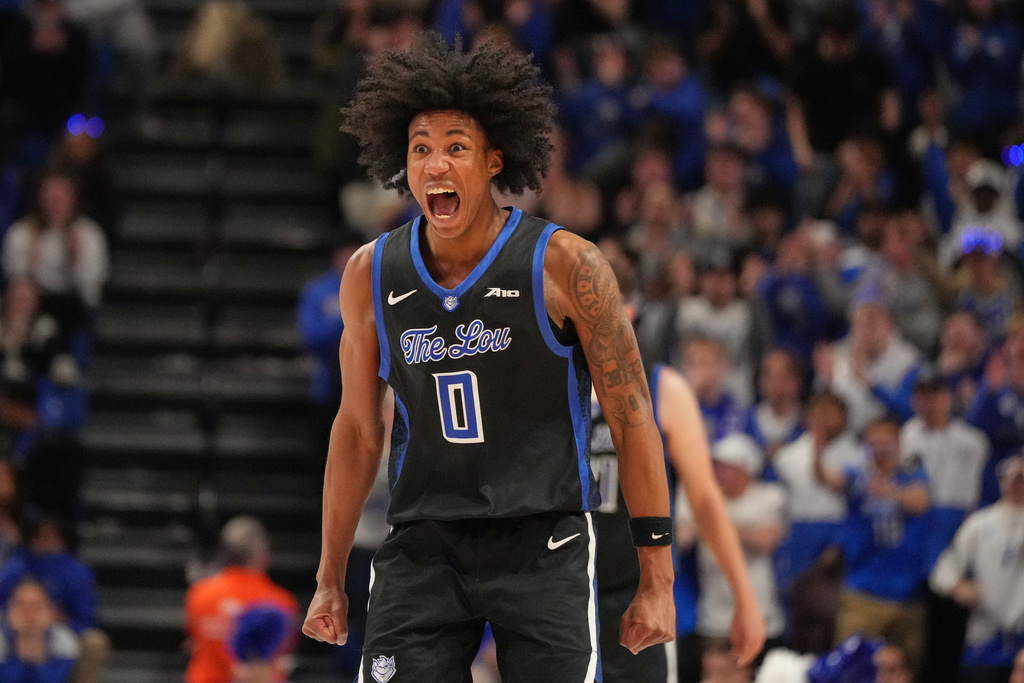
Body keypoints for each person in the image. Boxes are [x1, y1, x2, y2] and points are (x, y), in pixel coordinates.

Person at [302, 34, 763, 681]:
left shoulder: (566, 266)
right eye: (420, 150)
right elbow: (356, 429)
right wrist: (329, 574)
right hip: (426, 540)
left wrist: (657, 576)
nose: (435, 166)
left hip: (542, 540)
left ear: (494, 160)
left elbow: (633, 421)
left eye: (455, 148)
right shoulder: (371, 274)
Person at [591, 244, 764, 683]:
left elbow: (705, 499)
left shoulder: (664, 388)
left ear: (628, 312)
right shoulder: (544, 385)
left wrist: (745, 599)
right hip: (559, 593)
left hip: (634, 593)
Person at [814, 418, 931, 664]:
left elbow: (920, 502)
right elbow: (826, 478)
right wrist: (817, 450)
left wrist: (889, 490)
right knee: (849, 668)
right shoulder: (856, 477)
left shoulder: (913, 475)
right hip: (863, 593)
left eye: (886, 445)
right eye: (873, 445)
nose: (880, 452)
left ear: (899, 446)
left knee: (905, 670)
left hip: (907, 596)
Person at [930, 455, 1024, 683]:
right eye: (1005, 477)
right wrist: (957, 585)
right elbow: (944, 568)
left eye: (1019, 477)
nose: (1012, 483)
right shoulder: (980, 523)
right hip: (985, 636)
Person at [184, 516, 299, 683]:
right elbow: (282, 654)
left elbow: (193, 642)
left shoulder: (198, 594)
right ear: (262, 555)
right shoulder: (281, 603)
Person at [0, 577, 80, 683]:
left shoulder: (64, 642)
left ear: (51, 611)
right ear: (9, 611)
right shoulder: (2, 642)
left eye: (37, 606)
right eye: (22, 606)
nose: (30, 614)